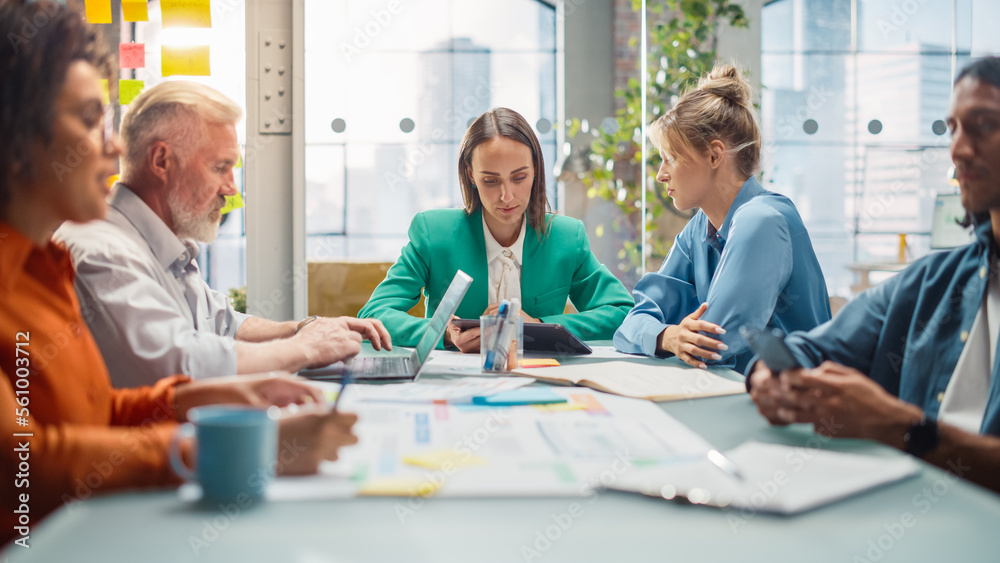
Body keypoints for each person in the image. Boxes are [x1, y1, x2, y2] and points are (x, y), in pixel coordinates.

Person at [0, 0, 357, 546]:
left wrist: (219, 397)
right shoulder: (86, 252)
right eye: (91, 121)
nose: (114, 146)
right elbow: (23, 466)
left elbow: (98, 410)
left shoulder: (42, 266)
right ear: (17, 136)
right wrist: (235, 450)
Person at [747, 57, 1000, 494]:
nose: (957, 149)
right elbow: (809, 349)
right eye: (953, 128)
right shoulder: (929, 282)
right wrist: (770, 378)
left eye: (983, 124)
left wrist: (903, 428)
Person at [54, 80, 391, 388]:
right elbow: (176, 361)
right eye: (220, 168)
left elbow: (223, 323)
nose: (231, 190)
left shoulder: (162, 243)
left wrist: (305, 328)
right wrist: (304, 349)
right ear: (161, 161)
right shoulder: (104, 251)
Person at [613, 64, 831, 373]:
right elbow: (633, 323)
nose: (661, 175)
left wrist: (673, 335)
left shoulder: (763, 221)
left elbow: (711, 345)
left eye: (671, 158)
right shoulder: (699, 230)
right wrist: (667, 335)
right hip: (733, 396)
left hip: (797, 407)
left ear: (715, 156)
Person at [358, 107, 633, 352]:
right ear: (470, 175)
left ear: (536, 169)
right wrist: (444, 334)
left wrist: (538, 325)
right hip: (455, 384)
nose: (507, 196)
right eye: (491, 180)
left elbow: (622, 312)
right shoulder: (433, 233)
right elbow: (375, 313)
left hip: (542, 382)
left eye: (519, 177)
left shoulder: (565, 237)